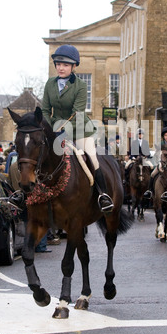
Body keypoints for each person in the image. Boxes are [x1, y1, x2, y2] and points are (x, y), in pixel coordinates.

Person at [42, 44, 114, 213]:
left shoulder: (80, 85)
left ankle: (102, 195)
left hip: (79, 128)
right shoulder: (49, 84)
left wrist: (61, 130)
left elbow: (77, 113)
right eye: (58, 64)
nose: (61, 68)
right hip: (54, 129)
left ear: (73, 67)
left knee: (93, 158)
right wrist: (50, 129)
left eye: (65, 65)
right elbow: (45, 110)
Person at [143, 127, 167, 199]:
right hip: (161, 164)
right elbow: (157, 155)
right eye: (165, 135)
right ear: (163, 136)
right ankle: (149, 191)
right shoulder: (160, 144)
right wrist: (159, 162)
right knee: (153, 174)